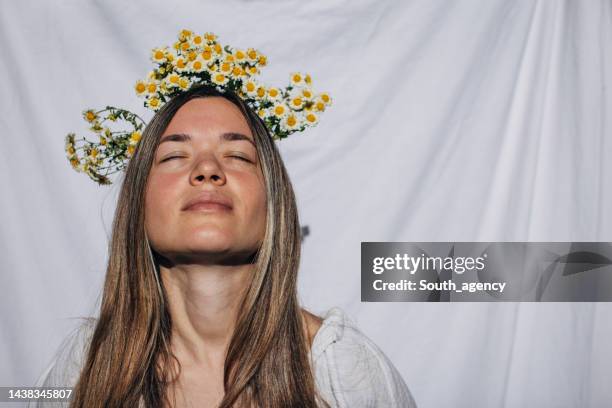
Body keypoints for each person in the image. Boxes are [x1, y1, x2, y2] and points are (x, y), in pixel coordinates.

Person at [34, 57, 417, 408]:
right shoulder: (84, 368)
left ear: (273, 205)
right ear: (138, 206)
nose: (206, 170)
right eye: (173, 156)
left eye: (237, 156)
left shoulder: (342, 367)